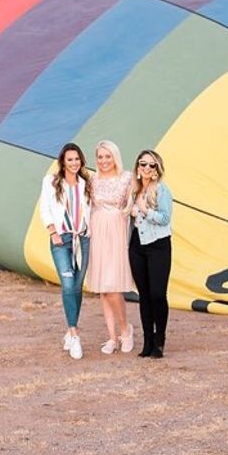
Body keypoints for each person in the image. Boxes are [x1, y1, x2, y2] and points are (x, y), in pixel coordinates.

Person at [40, 142, 92, 359]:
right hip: (62, 239)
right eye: (70, 159)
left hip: (83, 238)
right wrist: (53, 233)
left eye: (77, 159)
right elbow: (45, 208)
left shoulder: (86, 182)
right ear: (63, 161)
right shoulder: (51, 181)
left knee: (78, 286)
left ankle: (71, 329)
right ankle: (74, 334)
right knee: (68, 283)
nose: (74, 163)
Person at [88, 140, 135, 354]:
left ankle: (126, 330)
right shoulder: (91, 179)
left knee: (113, 287)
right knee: (103, 290)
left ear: (115, 157)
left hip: (116, 233)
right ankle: (111, 337)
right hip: (98, 233)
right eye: (100, 157)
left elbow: (135, 202)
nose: (104, 161)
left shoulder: (127, 178)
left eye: (108, 156)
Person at [127, 149, 173, 358]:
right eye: (143, 164)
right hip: (137, 245)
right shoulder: (133, 191)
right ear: (137, 167)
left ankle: (159, 339)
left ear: (157, 169)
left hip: (158, 245)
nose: (146, 168)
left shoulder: (162, 191)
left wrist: (145, 210)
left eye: (151, 165)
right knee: (144, 295)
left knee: (157, 294)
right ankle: (147, 341)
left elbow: (164, 218)